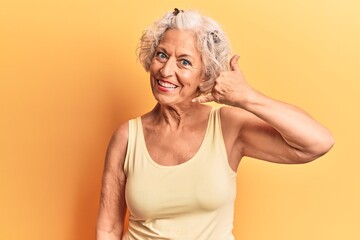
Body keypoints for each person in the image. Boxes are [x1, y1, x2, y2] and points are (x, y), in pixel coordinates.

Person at [96, 8, 334, 240]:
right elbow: (109, 228)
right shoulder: (127, 137)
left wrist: (247, 97)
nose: (166, 70)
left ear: (206, 74)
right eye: (162, 54)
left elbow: (317, 142)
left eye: (185, 62)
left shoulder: (227, 128)